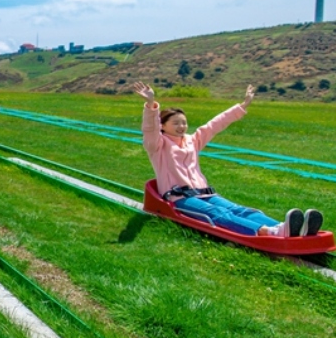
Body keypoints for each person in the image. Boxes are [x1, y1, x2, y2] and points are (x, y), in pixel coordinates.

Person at [133, 82, 320, 236]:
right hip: (179, 198)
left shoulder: (192, 141)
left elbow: (215, 124)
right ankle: (266, 232)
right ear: (163, 126)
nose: (182, 126)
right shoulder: (157, 145)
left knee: (240, 210)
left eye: (184, 122)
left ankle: (288, 228)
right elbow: (150, 128)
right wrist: (151, 104)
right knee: (218, 214)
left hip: (206, 194)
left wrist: (242, 106)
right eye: (176, 123)